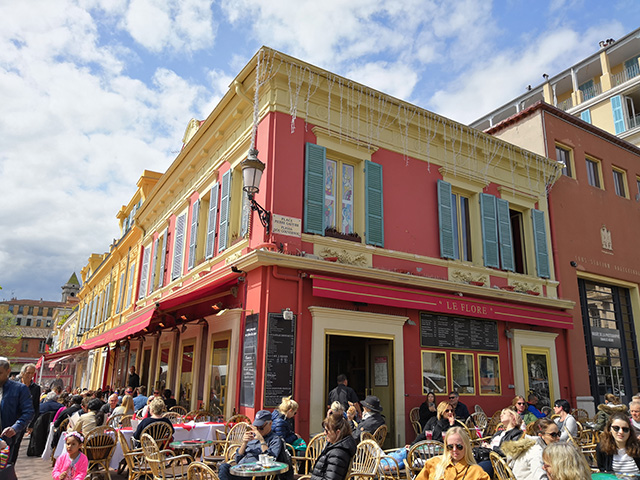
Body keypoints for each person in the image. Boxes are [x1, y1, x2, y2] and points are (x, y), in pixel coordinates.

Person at [218, 410, 284, 480]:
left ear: (270, 424)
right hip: (241, 469)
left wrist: (262, 441)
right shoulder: (252, 436)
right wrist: (244, 443)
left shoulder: (275, 439)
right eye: (256, 427)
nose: (258, 430)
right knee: (223, 467)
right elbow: (237, 459)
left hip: (256, 473)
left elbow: (270, 460)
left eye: (261, 427)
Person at [415, 426, 489, 480]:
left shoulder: (476, 472)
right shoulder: (432, 463)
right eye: (450, 446)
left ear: (466, 446)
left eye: (459, 446)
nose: (454, 450)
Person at [0, 357, 35, 466]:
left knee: (5, 471)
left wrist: (15, 427)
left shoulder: (19, 389)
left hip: (8, 439)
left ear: (8, 371)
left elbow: (29, 411)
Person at [476, 407, 523, 476]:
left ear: (512, 416)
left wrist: (492, 447)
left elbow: (510, 451)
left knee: (476, 471)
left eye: (504, 413)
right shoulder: (499, 432)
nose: (501, 415)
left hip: (497, 462)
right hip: (484, 455)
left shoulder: (517, 433)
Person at [310, 413, 357, 480]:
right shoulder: (336, 448)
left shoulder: (338, 454)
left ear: (338, 432)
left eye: (327, 431)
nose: (324, 433)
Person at [9, 363, 40, 462]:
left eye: (32, 373)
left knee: (16, 443)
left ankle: (11, 466)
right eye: (28, 373)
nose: (30, 375)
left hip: (23, 420)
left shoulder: (36, 388)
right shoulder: (12, 384)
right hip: (9, 417)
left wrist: (31, 424)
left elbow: (36, 407)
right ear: (22, 373)